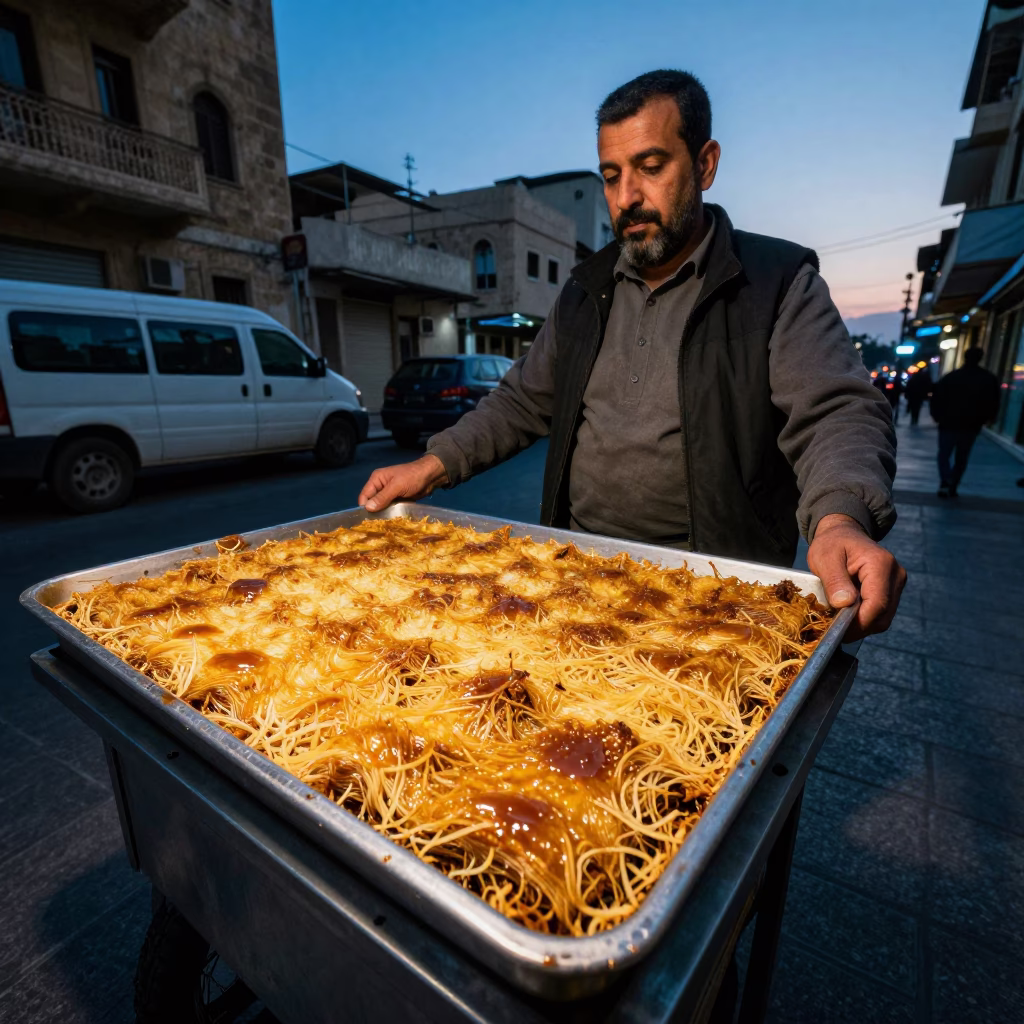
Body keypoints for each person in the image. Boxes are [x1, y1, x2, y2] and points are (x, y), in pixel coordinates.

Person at [359, 70, 906, 640]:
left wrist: (839, 520)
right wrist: (430, 465)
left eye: (651, 167)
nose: (627, 198)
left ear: (705, 165)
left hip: (712, 593)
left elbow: (836, 411)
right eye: (612, 176)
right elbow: (522, 401)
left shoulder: (775, 282)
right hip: (575, 574)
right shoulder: (583, 290)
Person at [929, 346, 1000, 498]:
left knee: (944, 454)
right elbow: (993, 402)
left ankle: (946, 480)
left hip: (949, 423)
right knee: (962, 456)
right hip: (971, 425)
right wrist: (988, 418)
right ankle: (953, 483)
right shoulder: (988, 379)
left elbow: (937, 398)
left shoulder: (951, 377)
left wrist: (937, 415)